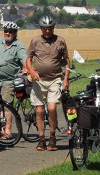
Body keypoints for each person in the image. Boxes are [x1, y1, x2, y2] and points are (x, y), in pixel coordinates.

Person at [25, 16, 70, 151]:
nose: (47, 31)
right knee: (39, 110)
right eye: (45, 28)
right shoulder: (35, 41)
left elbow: (67, 60)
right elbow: (28, 59)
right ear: (41, 29)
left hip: (55, 79)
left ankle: (52, 137)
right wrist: (32, 71)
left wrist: (66, 79)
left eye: (50, 28)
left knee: (51, 108)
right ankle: (41, 139)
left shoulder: (60, 41)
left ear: (53, 28)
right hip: (39, 81)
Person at [0, 22, 27, 140]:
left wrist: (26, 68)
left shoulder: (18, 45)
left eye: (11, 31)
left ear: (15, 33)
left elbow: (24, 59)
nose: (8, 33)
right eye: (6, 31)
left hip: (8, 80)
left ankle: (7, 131)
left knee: (6, 105)